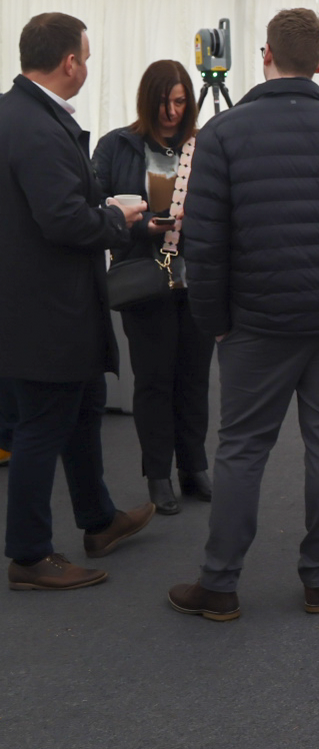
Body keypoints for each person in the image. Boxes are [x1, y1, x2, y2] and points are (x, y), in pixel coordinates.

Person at [171, 8, 319, 621]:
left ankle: (220, 584)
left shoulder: (222, 134)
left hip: (256, 318)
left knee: (243, 448)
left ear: (264, 54)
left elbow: (205, 241)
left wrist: (212, 317)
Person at [1, 12, 155, 592]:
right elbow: (64, 221)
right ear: (69, 62)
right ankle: (29, 553)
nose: (87, 68)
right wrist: (115, 215)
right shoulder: (38, 127)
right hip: (47, 308)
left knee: (85, 406)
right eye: (85, 58)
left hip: (37, 303)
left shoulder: (14, 113)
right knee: (44, 425)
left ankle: (98, 519)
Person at [91, 59, 215, 514]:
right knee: (154, 381)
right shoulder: (117, 145)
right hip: (144, 277)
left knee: (195, 379)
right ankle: (158, 473)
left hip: (196, 276)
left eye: (180, 102)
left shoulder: (204, 146)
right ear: (147, 101)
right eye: (164, 102)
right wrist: (141, 226)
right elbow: (95, 212)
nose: (171, 111)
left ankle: (194, 467)